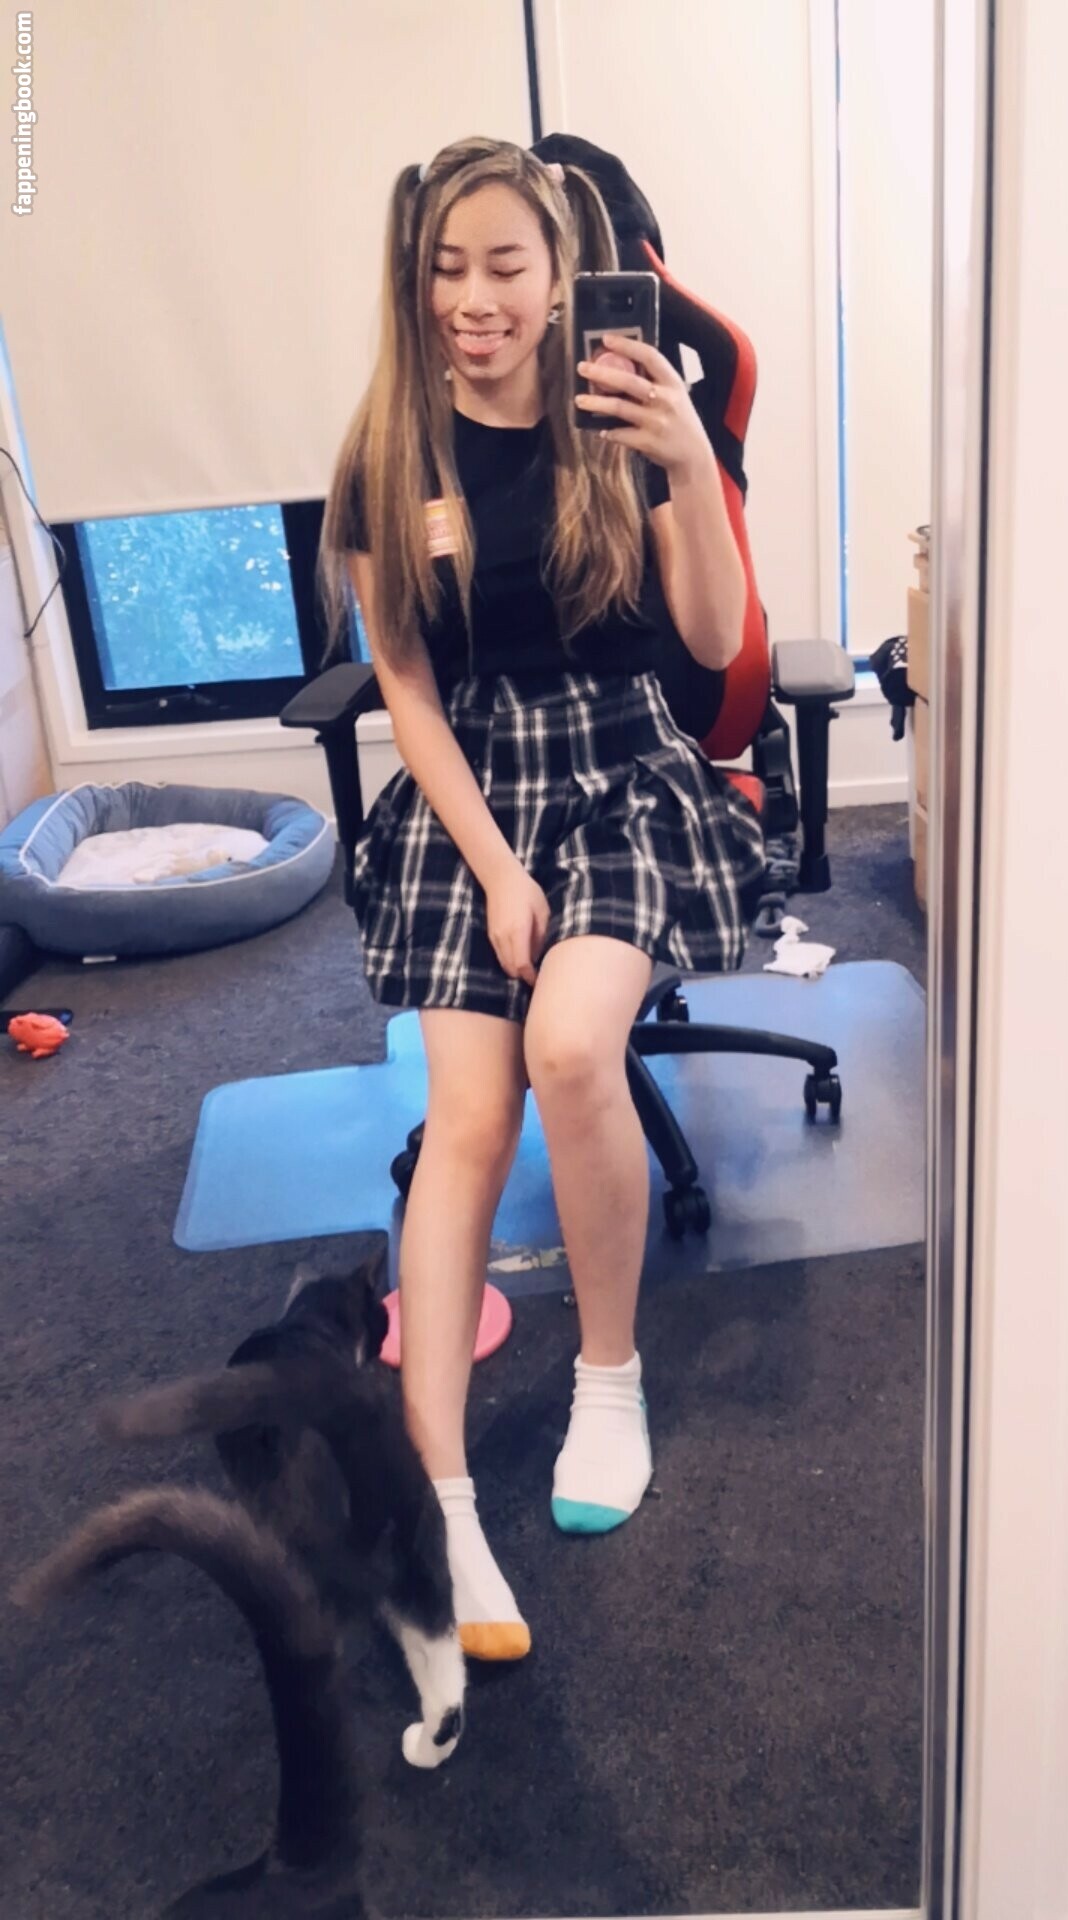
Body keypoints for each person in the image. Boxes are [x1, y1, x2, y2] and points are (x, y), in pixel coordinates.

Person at [317, 137, 766, 1662]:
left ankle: (609, 1379)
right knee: (465, 1117)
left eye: (506, 266)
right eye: (446, 269)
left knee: (572, 1050)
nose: (474, 300)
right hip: (472, 789)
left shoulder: (622, 413)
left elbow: (713, 641)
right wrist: (500, 868)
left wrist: (691, 463)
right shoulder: (388, 449)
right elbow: (406, 685)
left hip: (623, 762)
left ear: (562, 273)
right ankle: (436, 1496)